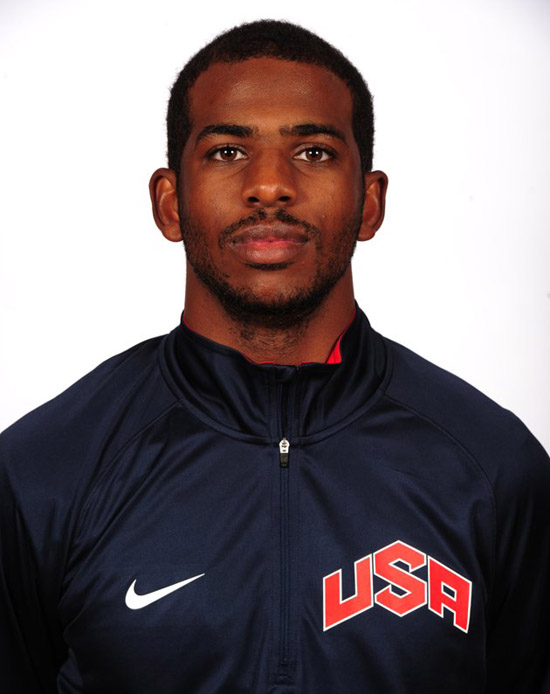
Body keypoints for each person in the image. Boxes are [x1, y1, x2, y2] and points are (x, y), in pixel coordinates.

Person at [0, 19, 548, 694]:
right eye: (228, 151)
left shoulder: (495, 468)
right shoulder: (45, 471)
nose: (269, 186)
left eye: (313, 152)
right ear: (169, 204)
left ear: (369, 203)